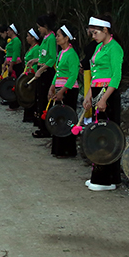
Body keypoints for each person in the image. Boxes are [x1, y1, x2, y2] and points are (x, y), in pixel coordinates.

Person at [83, 14, 124, 191]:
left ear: (105, 30)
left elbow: (116, 76)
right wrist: (89, 95)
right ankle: (107, 176)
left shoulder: (115, 48)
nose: (93, 36)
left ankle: (104, 179)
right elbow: (95, 73)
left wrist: (104, 98)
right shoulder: (100, 47)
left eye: (95, 33)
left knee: (106, 135)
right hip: (98, 91)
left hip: (108, 94)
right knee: (98, 132)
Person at [49, 25, 81, 158]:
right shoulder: (62, 53)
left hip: (69, 91)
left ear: (66, 38)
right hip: (59, 89)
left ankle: (68, 150)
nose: (56, 38)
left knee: (67, 119)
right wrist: (52, 86)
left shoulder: (72, 54)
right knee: (58, 118)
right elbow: (58, 72)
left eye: (58, 35)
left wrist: (63, 90)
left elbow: (73, 76)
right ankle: (58, 148)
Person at [31, 14, 59, 137]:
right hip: (42, 69)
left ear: (45, 26)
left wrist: (41, 69)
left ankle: (46, 129)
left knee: (44, 98)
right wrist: (36, 60)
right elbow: (44, 56)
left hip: (46, 72)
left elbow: (52, 58)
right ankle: (41, 126)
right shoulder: (46, 38)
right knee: (39, 98)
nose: (38, 30)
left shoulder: (52, 38)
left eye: (39, 27)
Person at [21, 29, 41, 124]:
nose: (27, 38)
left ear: (33, 38)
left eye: (28, 36)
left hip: (33, 75)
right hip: (27, 74)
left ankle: (32, 115)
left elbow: (38, 63)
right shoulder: (31, 48)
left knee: (31, 95)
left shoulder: (37, 49)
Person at [2, 24, 23, 111]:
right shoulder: (11, 41)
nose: (7, 32)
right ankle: (12, 103)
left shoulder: (16, 41)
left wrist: (11, 64)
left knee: (14, 83)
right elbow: (8, 54)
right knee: (11, 83)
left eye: (8, 30)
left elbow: (15, 54)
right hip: (10, 63)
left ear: (12, 31)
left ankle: (15, 104)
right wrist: (5, 63)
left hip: (15, 65)